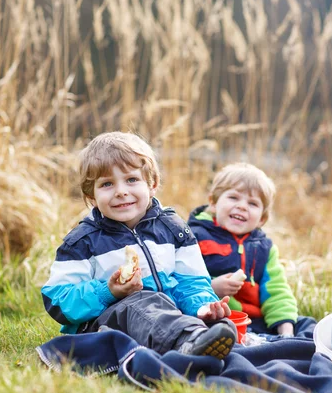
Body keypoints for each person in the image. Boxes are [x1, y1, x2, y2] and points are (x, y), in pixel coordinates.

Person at [41, 131, 236, 359]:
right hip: (105, 327)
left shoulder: (173, 229)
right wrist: (108, 292)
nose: (121, 191)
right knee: (142, 300)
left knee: (219, 321)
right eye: (107, 184)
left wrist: (203, 307)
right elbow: (57, 300)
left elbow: (192, 282)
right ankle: (186, 345)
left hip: (167, 318)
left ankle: (193, 340)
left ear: (152, 184)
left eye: (131, 179)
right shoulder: (82, 241)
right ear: (91, 196)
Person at [188, 163, 299, 337]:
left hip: (254, 323)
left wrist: (287, 331)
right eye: (233, 197)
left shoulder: (264, 249)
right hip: (211, 319)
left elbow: (277, 291)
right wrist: (212, 287)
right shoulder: (194, 237)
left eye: (253, 203)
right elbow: (183, 280)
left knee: (307, 326)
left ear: (262, 219)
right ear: (213, 203)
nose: (242, 206)